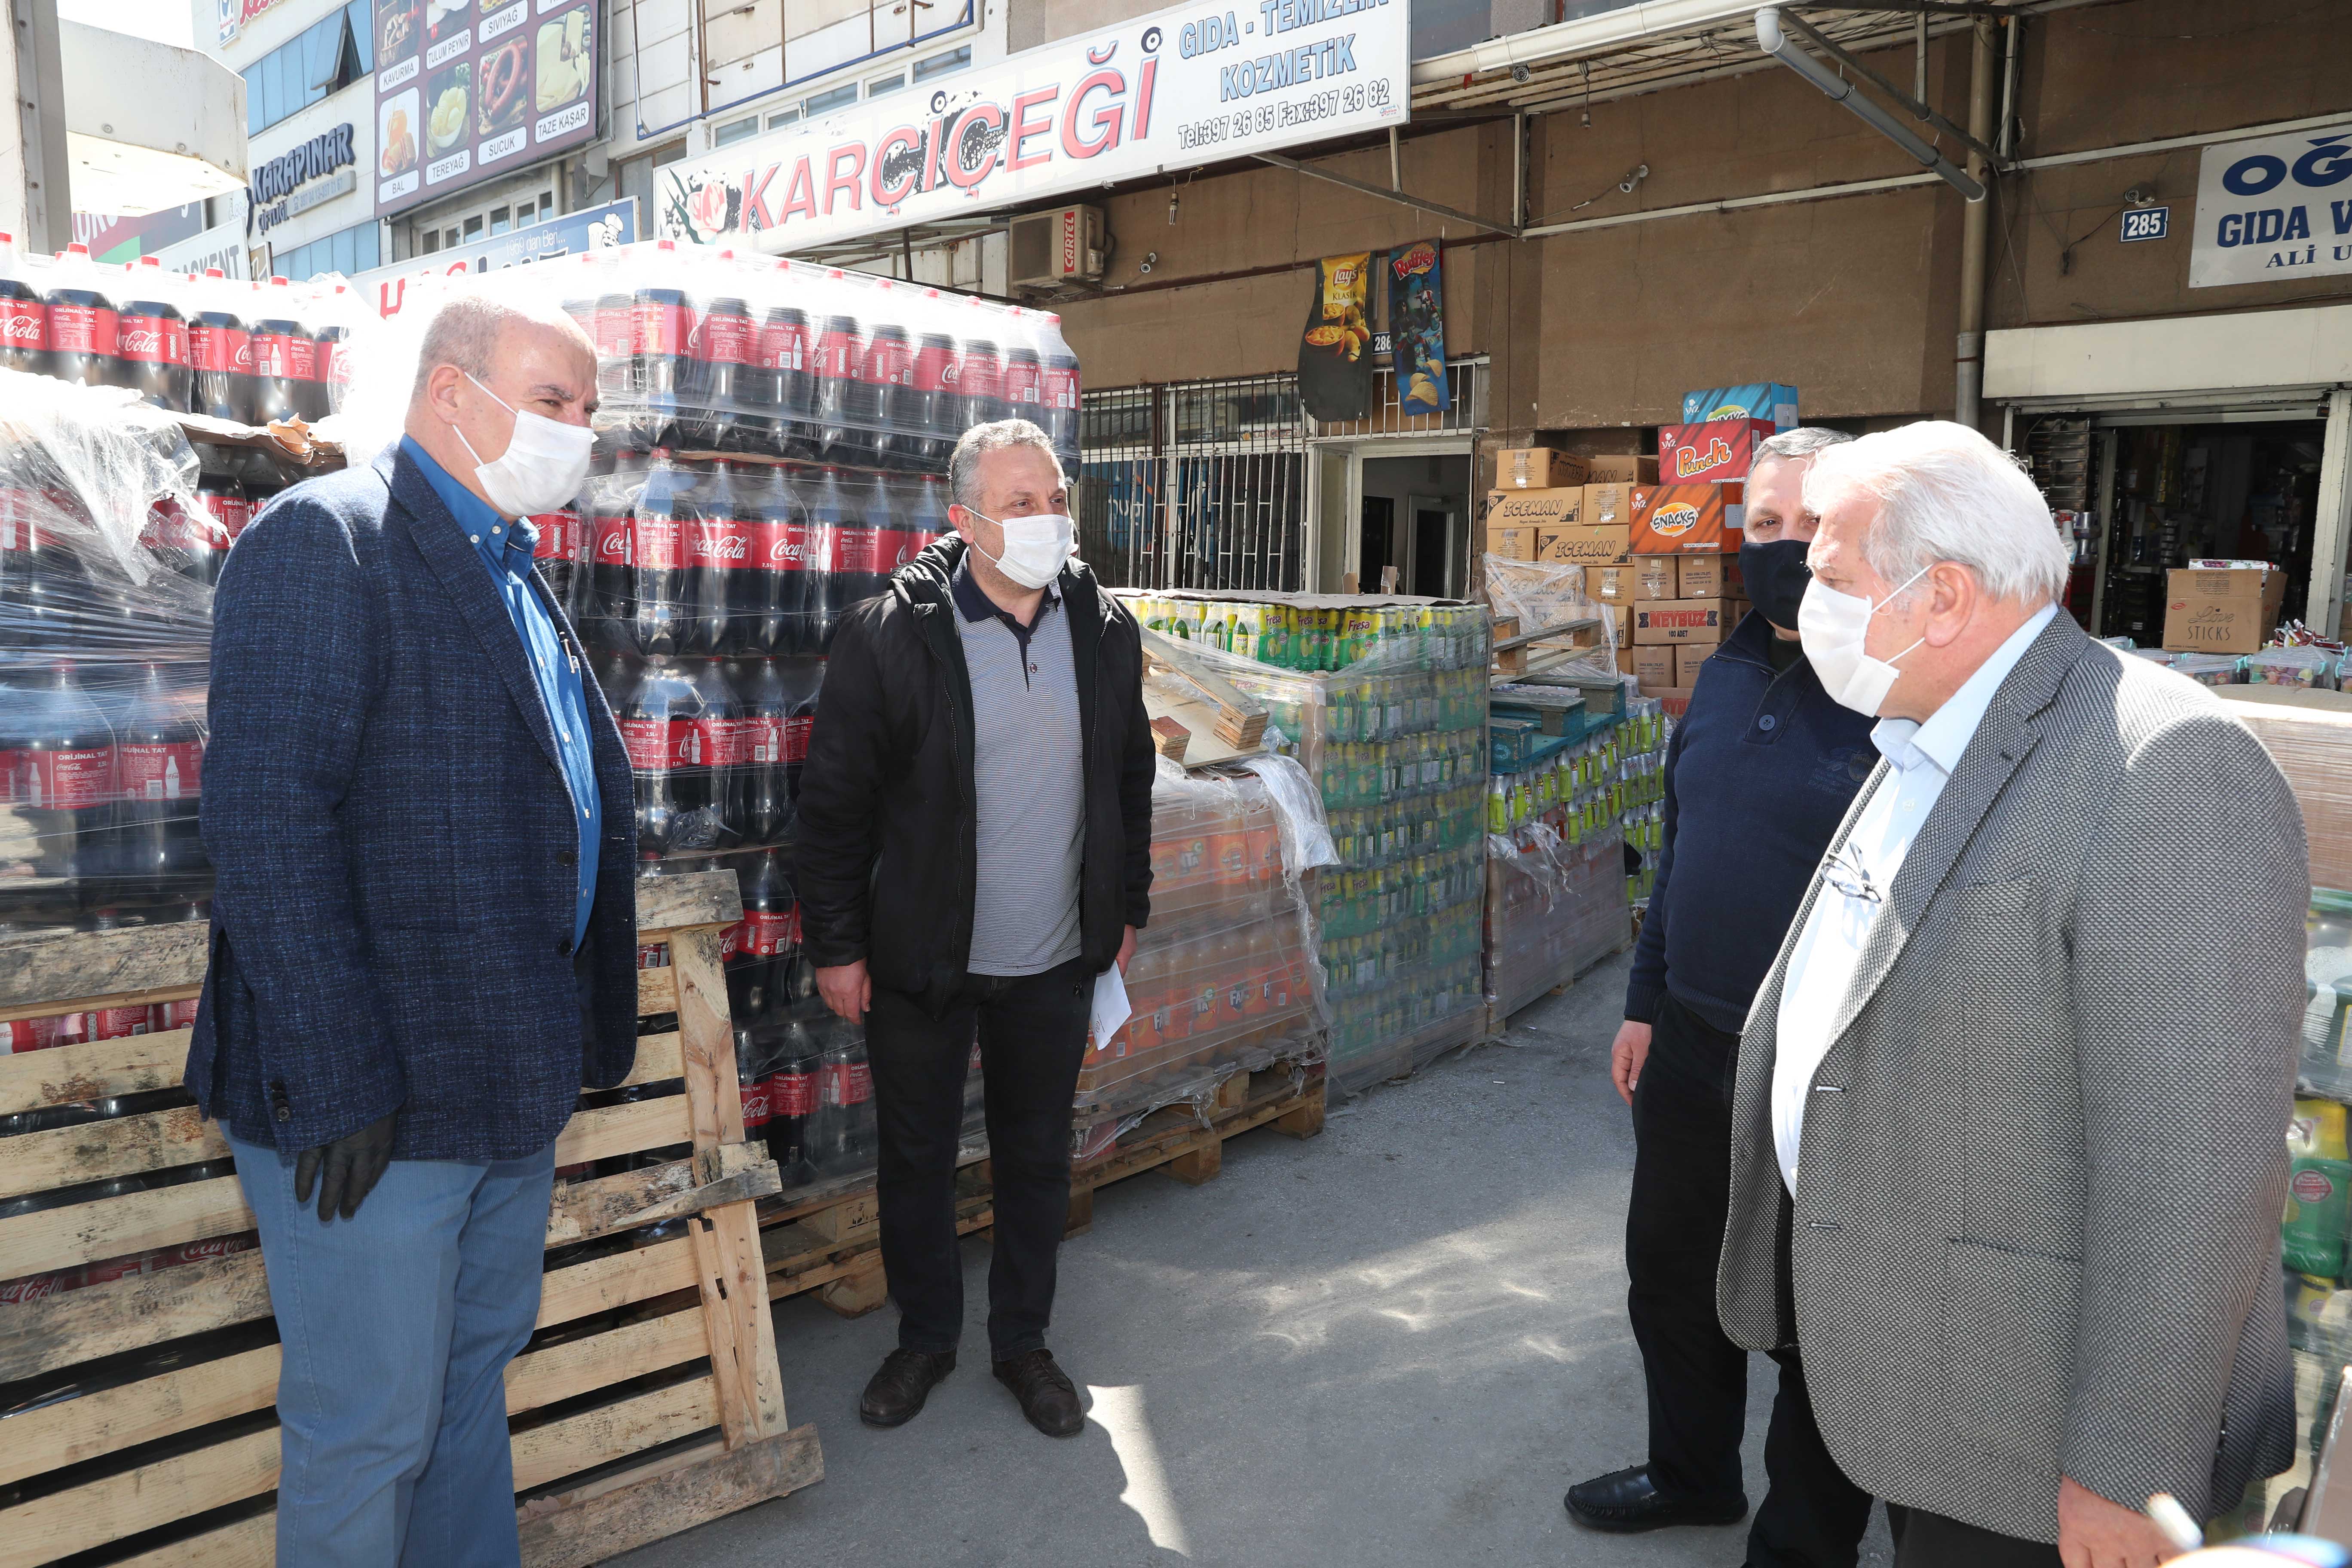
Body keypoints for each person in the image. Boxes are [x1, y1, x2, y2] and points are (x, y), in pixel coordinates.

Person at [1717, 421, 2302, 1567]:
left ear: (1941, 597)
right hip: (1916, 1372)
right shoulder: (1925, 731)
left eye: (1835, 576)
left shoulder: (2165, 765)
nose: (1808, 599)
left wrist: (2131, 1470)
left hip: (2034, 1438)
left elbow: (2196, 1169)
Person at [190, 291, 636, 1566]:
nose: (577, 431)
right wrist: (337, 1076)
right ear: (451, 392)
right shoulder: (325, 542)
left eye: (588, 408)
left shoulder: (511, 569)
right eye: (551, 401)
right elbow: (266, 819)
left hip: (505, 1081)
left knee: (464, 1393)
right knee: (370, 1429)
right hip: (377, 1106)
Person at [796, 417, 1155, 1438]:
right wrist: (838, 946)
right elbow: (833, 807)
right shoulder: (891, 635)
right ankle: (925, 1339)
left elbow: (1130, 778)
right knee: (916, 1156)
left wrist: (1125, 906)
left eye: (1055, 499)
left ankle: (1023, 1343)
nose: (1047, 520)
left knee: (1036, 1156)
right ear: (964, 519)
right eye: (1019, 503)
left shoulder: (1105, 629)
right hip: (924, 955)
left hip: (1053, 955)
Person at [1568, 429, 1886, 1567]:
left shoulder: (1897, 693)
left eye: (1810, 526)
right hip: (1695, 1040)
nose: (1785, 548)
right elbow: (1680, 846)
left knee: (1814, 1320)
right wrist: (1645, 1000)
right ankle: (1691, 1474)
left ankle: (1803, 1546)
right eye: (1764, 525)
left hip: (1826, 1068)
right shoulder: (1725, 669)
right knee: (1673, 1274)